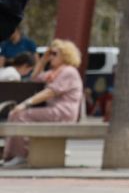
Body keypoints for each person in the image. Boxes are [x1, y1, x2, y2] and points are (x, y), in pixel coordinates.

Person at [1, 39, 84, 167]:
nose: (52, 57)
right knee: (14, 114)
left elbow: (50, 92)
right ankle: (12, 155)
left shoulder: (69, 72)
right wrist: (43, 60)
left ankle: (21, 155)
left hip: (63, 112)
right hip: (54, 111)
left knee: (19, 115)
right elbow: (34, 78)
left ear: (66, 56)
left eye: (55, 54)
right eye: (50, 54)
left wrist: (26, 103)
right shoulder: (54, 72)